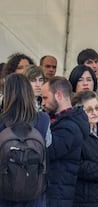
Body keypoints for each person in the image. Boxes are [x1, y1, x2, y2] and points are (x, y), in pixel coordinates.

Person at [0, 73, 51, 207]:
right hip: (35, 192)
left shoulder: (1, 121)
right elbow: (48, 148)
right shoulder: (43, 119)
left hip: (4, 193)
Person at [41, 77, 89, 207]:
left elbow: (47, 152)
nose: (42, 103)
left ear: (58, 95)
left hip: (57, 196)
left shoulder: (69, 127)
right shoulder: (62, 121)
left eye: (45, 98)